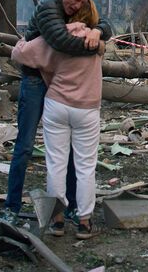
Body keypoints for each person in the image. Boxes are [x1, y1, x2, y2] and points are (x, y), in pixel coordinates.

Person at [2, 0, 112, 225]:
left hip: (57, 85)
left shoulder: (78, 14)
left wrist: (97, 31)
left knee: (64, 156)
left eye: (81, 3)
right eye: (74, 0)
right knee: (26, 145)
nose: (76, 6)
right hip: (35, 79)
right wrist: (96, 45)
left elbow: (104, 22)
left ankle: (67, 210)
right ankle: (12, 206)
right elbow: (60, 43)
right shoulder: (48, 8)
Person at [39, 20, 105, 239]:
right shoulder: (96, 40)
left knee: (55, 164)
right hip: (87, 108)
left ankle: (57, 221)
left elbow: (21, 53)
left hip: (57, 104)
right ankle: (84, 222)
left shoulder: (56, 35)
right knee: (86, 166)